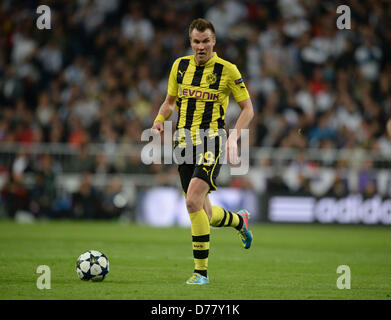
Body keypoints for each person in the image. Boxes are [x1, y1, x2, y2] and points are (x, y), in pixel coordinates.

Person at [151, 18, 254, 285]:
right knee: (204, 213)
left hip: (212, 141)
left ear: (214, 41)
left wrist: (232, 139)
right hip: (183, 144)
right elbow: (169, 102)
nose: (201, 46)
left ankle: (201, 273)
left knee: (191, 200)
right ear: (191, 42)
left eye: (206, 40)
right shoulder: (179, 66)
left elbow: (248, 110)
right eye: (196, 41)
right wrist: (159, 120)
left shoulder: (228, 70)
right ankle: (238, 221)